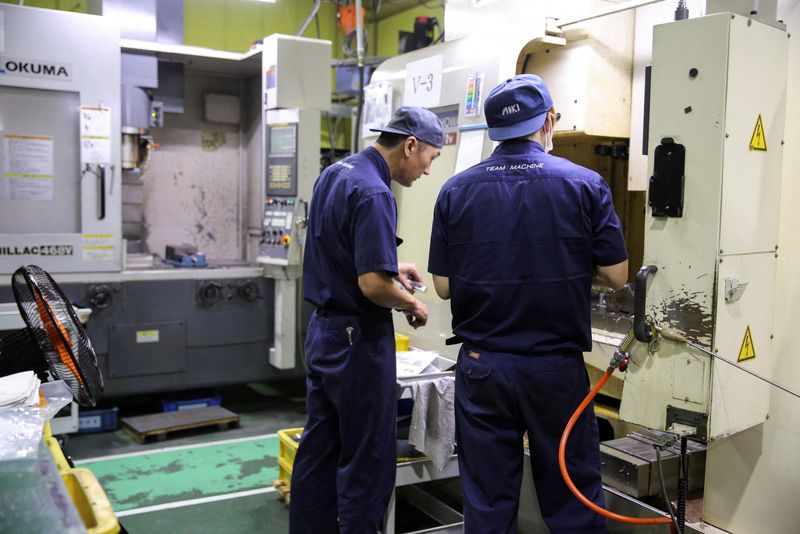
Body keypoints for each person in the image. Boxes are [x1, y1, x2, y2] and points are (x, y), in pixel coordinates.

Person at [428, 74, 628, 533]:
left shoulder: (456, 190)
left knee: (488, 502)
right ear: (549, 121)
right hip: (554, 370)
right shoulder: (585, 184)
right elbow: (617, 275)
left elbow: (442, 286)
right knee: (572, 498)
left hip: (483, 368)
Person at [289, 106, 444, 534]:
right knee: (366, 461)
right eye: (430, 158)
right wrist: (412, 304)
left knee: (319, 450)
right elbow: (373, 286)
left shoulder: (337, 172)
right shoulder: (376, 192)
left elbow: (345, 250)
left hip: (324, 333)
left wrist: (394, 265)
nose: (428, 171)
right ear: (410, 146)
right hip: (359, 340)